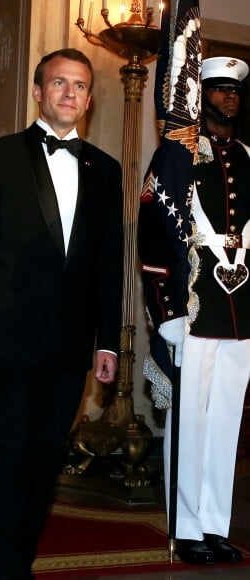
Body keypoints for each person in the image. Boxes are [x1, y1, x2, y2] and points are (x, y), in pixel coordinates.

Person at [0, 48, 124, 579]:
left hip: (70, 344)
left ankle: (20, 556)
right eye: (58, 83)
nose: (69, 93)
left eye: (79, 86)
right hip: (6, 335)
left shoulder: (106, 171)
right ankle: (8, 568)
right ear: (38, 92)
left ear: (87, 98)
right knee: (5, 455)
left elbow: (110, 262)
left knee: (44, 460)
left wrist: (108, 341)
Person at [139, 56, 250, 565]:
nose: (230, 97)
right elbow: (153, 235)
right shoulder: (176, 157)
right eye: (221, 89)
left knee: (226, 421)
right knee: (190, 424)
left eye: (236, 91)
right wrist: (165, 313)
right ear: (200, 95)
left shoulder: (247, 156)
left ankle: (214, 525)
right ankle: (185, 530)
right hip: (194, 310)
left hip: (239, 311)